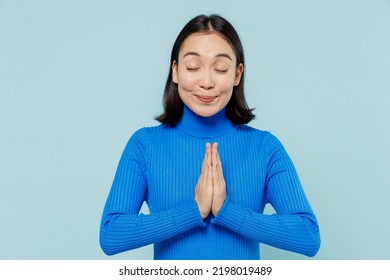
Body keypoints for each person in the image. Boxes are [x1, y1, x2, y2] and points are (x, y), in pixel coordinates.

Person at [99, 14, 320, 260]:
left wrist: (227, 212)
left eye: (220, 69)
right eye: (193, 67)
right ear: (175, 71)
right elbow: (111, 234)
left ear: (237, 75)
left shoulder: (265, 148)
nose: (206, 82)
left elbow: (308, 236)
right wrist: (193, 211)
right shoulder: (144, 145)